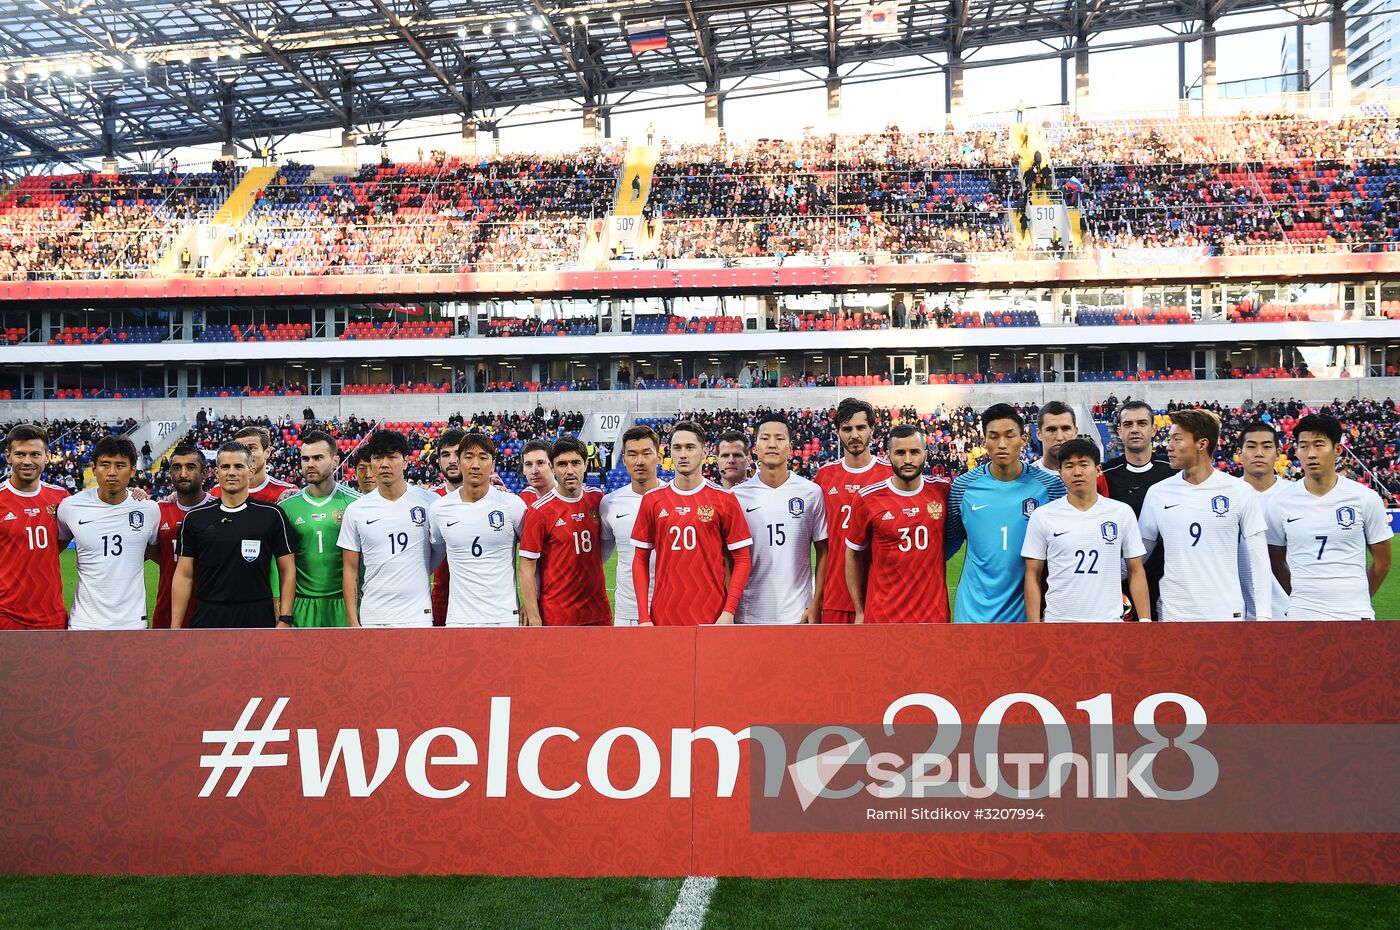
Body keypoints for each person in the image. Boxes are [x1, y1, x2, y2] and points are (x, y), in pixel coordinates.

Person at [1139, 409, 1271, 622]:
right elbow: (1137, 557)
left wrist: (1263, 615)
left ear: (1202, 444)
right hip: (1174, 614)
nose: (1168, 446)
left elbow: (1259, 560)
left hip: (1226, 613)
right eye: (1169, 439)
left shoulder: (1239, 491)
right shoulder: (1158, 493)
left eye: (1177, 439)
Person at [945, 404, 1066, 623]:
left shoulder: (1051, 487)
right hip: (973, 613)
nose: (1002, 444)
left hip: (1027, 615)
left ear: (1023, 440)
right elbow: (947, 544)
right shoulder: (963, 487)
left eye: (1010, 436)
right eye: (994, 437)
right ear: (984, 442)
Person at [1265, 414, 1393, 620]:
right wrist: (1301, 598)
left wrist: (1359, 600)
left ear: (1337, 450)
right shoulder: (1279, 502)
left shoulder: (1365, 498)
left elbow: (1383, 562)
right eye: (1304, 446)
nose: (1311, 454)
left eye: (1319, 445)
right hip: (1302, 615)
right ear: (1296, 451)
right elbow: (1276, 562)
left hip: (1354, 615)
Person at [630, 420, 753, 626]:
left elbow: (742, 559)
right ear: (669, 452)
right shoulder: (652, 500)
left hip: (713, 617)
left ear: (704, 452)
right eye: (677, 448)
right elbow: (640, 560)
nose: (683, 454)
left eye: (690, 447)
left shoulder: (724, 499)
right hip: (663, 617)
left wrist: (728, 612)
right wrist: (643, 617)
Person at [171, 441, 297, 629]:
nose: (231, 472)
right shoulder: (195, 518)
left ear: (250, 472)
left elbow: (287, 569)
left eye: (238, 466)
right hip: (209, 615)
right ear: (216, 473)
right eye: (225, 467)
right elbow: (184, 575)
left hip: (257, 614)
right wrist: (175, 627)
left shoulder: (272, 515)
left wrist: (285, 618)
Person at [1023, 438, 1150, 623]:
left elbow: (1136, 570)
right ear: (1060, 474)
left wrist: (1145, 621)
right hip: (1058, 623)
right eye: (1069, 466)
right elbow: (1032, 575)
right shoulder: (1043, 516)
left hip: (1109, 622)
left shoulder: (1121, 512)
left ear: (1098, 470)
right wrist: (1034, 627)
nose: (1077, 472)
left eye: (1084, 464)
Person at [845, 424, 952, 623]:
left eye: (915, 452)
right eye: (900, 453)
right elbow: (852, 554)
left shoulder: (943, 491)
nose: (908, 460)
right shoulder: (867, 498)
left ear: (925, 454)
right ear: (889, 456)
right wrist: (859, 610)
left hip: (933, 617)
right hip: (884, 617)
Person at [339, 430, 443, 628]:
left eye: (392, 457)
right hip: (374, 615)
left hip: (417, 614)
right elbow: (350, 569)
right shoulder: (356, 510)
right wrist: (352, 620)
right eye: (378, 458)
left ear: (405, 462)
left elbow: (440, 550)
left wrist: (418, 569)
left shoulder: (430, 502)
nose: (384, 464)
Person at [56, 436, 161, 630]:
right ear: (94, 469)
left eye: (120, 465)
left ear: (133, 470)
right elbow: (51, 552)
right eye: (105, 465)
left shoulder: (149, 509)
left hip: (133, 623)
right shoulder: (70, 507)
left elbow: (157, 554)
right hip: (84, 623)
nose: (112, 472)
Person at [733, 414, 828, 624]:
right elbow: (729, 558)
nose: (772, 444)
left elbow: (823, 551)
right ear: (755, 447)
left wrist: (816, 604)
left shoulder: (811, 492)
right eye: (765, 438)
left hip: (797, 615)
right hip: (748, 616)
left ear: (791, 448)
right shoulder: (737, 497)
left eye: (779, 438)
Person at [428, 433, 528, 627]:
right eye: (468, 457)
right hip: (459, 620)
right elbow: (434, 555)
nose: (475, 465)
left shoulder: (513, 505)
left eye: (483, 458)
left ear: (493, 464)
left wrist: (530, 602)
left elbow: (532, 558)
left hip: (504, 618)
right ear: (459, 462)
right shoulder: (439, 509)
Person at [813, 398, 893, 623]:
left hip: (882, 595)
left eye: (861, 427)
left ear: (872, 430)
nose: (854, 435)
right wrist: (817, 601)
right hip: (835, 596)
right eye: (847, 429)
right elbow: (820, 543)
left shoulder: (890, 474)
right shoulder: (825, 476)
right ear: (838, 432)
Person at [519, 436, 611, 626]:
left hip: (598, 612)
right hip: (558, 615)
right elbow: (527, 567)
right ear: (552, 468)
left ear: (585, 464)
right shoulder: (540, 510)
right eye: (562, 464)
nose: (569, 471)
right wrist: (534, 617)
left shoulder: (597, 499)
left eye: (575, 463)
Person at [1101, 400, 1176, 618]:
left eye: (1142, 423)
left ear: (1153, 429)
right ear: (1119, 431)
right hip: (1120, 580)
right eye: (1128, 424)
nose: (1135, 429)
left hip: (1167, 580)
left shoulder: (1174, 472)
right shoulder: (1105, 474)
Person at [278, 431, 360, 628]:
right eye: (305, 459)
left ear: (335, 461)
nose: (310, 464)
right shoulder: (286, 508)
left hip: (345, 603)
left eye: (318, 458)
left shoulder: (355, 504)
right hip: (301, 605)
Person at [0, 424, 69, 630]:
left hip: (53, 617)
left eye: (35, 454)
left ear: (47, 456)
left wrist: (134, 494)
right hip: (6, 617)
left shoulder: (62, 498)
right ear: (8, 456)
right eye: (20, 454)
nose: (27, 461)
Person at [600, 425, 662, 625]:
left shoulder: (674, 498)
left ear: (659, 457)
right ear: (624, 459)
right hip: (627, 611)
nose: (639, 461)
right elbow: (600, 557)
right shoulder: (609, 503)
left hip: (669, 607)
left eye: (646, 453)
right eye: (632, 454)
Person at [149, 443, 212, 629]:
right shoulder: (157, 511)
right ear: (170, 473)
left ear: (204, 473)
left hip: (209, 610)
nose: (183, 473)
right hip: (167, 611)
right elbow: (153, 553)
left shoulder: (219, 509)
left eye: (190, 467)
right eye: (177, 468)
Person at [1237, 420, 1292, 620]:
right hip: (1237, 609)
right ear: (1239, 453)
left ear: (1278, 453)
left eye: (1267, 447)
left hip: (1290, 609)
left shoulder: (1296, 496)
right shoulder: (1228, 495)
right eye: (1251, 446)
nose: (1259, 453)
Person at [430, 428, 467, 626]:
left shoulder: (494, 497)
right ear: (438, 460)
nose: (452, 460)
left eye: (457, 454)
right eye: (445, 455)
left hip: (482, 601)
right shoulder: (429, 500)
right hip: (441, 599)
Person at [1034, 401, 1109, 495]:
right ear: (1039, 434)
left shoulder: (1094, 475)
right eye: (1051, 430)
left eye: (1066, 429)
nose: (1059, 437)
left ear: (1075, 432)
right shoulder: (1026, 477)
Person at [210, 426, 296, 503]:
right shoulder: (216, 492)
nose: (245, 454)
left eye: (251, 448)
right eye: (239, 449)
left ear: (267, 452)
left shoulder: (288, 492)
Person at [519, 439, 556, 505]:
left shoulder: (570, 497)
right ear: (523, 469)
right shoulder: (524, 497)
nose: (534, 471)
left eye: (540, 463)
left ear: (553, 466)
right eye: (528, 464)